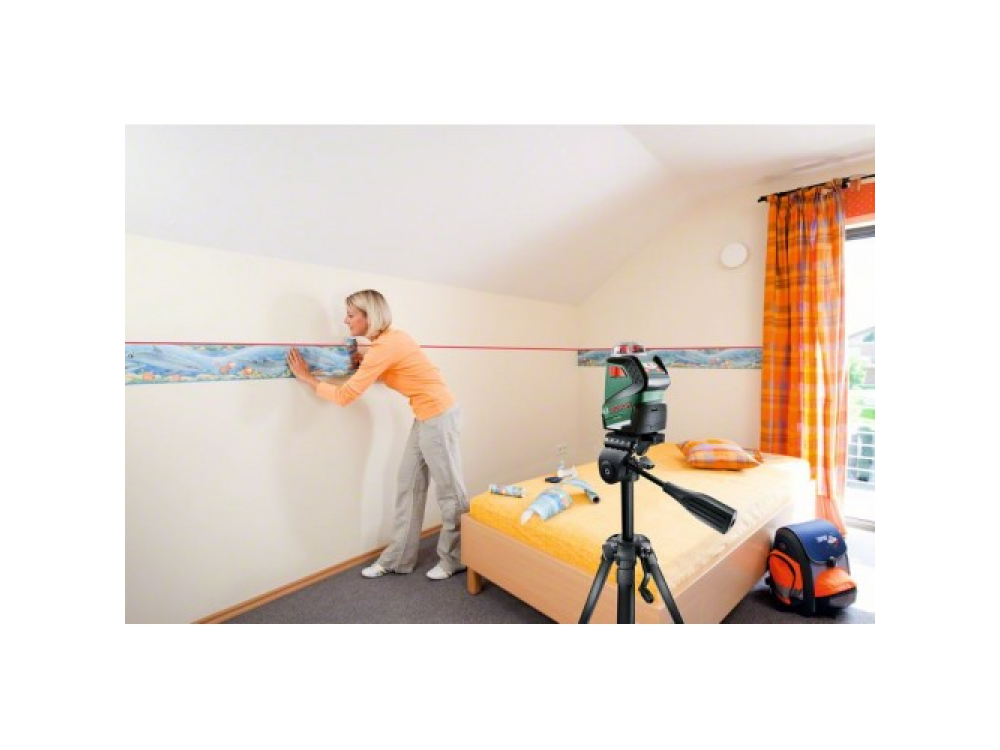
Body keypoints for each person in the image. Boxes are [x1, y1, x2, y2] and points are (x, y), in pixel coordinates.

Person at [286, 290, 470, 580]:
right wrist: (363, 361)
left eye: (350, 315)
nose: (345, 320)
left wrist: (308, 379)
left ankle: (454, 559)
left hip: (439, 416)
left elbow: (345, 396)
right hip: (425, 415)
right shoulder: (388, 342)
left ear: (368, 316)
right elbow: (393, 371)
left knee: (450, 491)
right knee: (408, 485)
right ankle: (398, 559)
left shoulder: (386, 346)